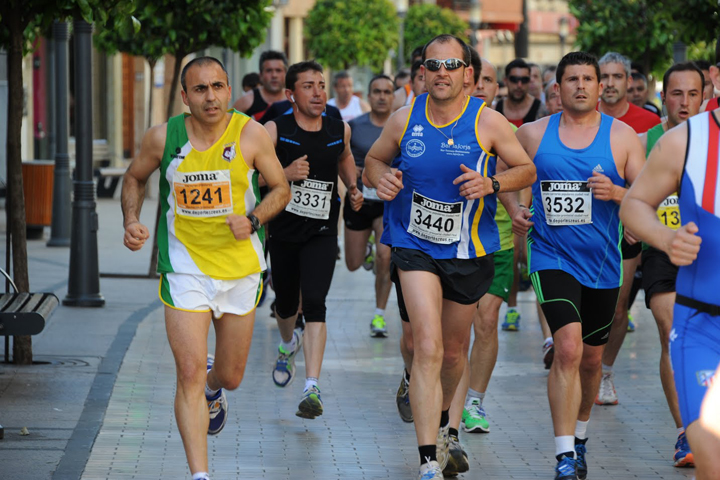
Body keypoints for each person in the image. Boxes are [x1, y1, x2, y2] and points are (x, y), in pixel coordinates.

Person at [365, 34, 536, 480]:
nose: (441, 72)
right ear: (422, 72)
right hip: (413, 244)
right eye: (432, 64)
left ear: (468, 75)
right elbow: (372, 161)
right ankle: (427, 460)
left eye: (451, 65)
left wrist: (492, 185)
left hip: (469, 249)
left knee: (455, 353)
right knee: (427, 344)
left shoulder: (489, 123)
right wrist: (381, 178)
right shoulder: (405, 119)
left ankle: (445, 427)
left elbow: (526, 169)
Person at [120, 57, 290, 480]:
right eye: (200, 89)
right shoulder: (163, 138)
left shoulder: (250, 134)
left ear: (229, 89)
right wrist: (130, 219)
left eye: (217, 86)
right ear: (184, 97)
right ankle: (200, 475)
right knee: (189, 373)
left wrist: (252, 220)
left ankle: (217, 389)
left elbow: (281, 189)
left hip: (240, 268)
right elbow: (134, 178)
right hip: (184, 267)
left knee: (228, 376)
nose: (210, 96)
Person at [509, 51, 644, 480]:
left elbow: (646, 197)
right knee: (567, 348)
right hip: (551, 255)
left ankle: (581, 436)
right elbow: (502, 172)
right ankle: (564, 454)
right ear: (558, 87)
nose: (582, 86)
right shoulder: (531, 134)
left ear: (600, 86)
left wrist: (617, 193)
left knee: (590, 359)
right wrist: (515, 207)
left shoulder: (623, 137)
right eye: (573, 79)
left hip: (603, 263)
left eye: (589, 79)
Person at [620, 49, 720, 480]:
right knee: (712, 460)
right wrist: (665, 237)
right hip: (703, 324)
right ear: (717, 75)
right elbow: (635, 204)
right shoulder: (686, 140)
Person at [264, 61, 363, 419]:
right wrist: (284, 175)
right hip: (284, 231)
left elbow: (345, 157)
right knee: (286, 304)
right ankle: (288, 343)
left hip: (322, 230)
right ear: (291, 94)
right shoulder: (274, 130)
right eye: (308, 86)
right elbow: (246, 176)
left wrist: (353, 186)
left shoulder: (340, 129)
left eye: (321, 85)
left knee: (317, 300)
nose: (319, 92)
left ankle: (311, 387)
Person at [593, 51, 661, 401]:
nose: (611, 84)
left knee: (618, 306)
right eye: (604, 76)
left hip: (627, 227)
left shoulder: (648, 122)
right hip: (585, 225)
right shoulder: (580, 117)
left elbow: (655, 181)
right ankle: (581, 364)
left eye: (618, 77)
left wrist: (637, 215)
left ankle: (604, 372)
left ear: (629, 81)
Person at [344, 74, 395, 337]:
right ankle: (366, 253)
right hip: (360, 199)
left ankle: (379, 315)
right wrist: (352, 181)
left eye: (388, 92)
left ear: (393, 96)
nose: (382, 97)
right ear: (368, 96)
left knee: (385, 257)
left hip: (388, 202)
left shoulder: (401, 126)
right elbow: (342, 160)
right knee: (352, 263)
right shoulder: (354, 126)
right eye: (377, 91)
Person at [233, 50, 288, 121]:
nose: (274, 75)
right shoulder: (247, 100)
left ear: (286, 74)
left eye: (278, 70)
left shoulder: (295, 100)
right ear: (260, 75)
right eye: (269, 70)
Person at [496, 58, 543, 128]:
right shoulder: (496, 109)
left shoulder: (541, 109)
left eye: (524, 80)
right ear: (505, 81)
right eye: (514, 79)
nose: (519, 85)